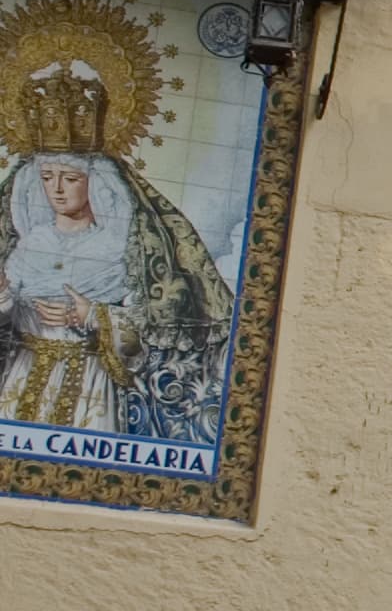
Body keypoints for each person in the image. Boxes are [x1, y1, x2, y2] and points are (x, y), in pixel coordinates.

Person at [0, 117, 233, 449]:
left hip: (90, 381)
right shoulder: (25, 246)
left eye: (70, 178)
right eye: (47, 178)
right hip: (21, 375)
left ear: (94, 183)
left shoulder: (121, 252)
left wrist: (94, 315)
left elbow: (153, 332)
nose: (57, 189)